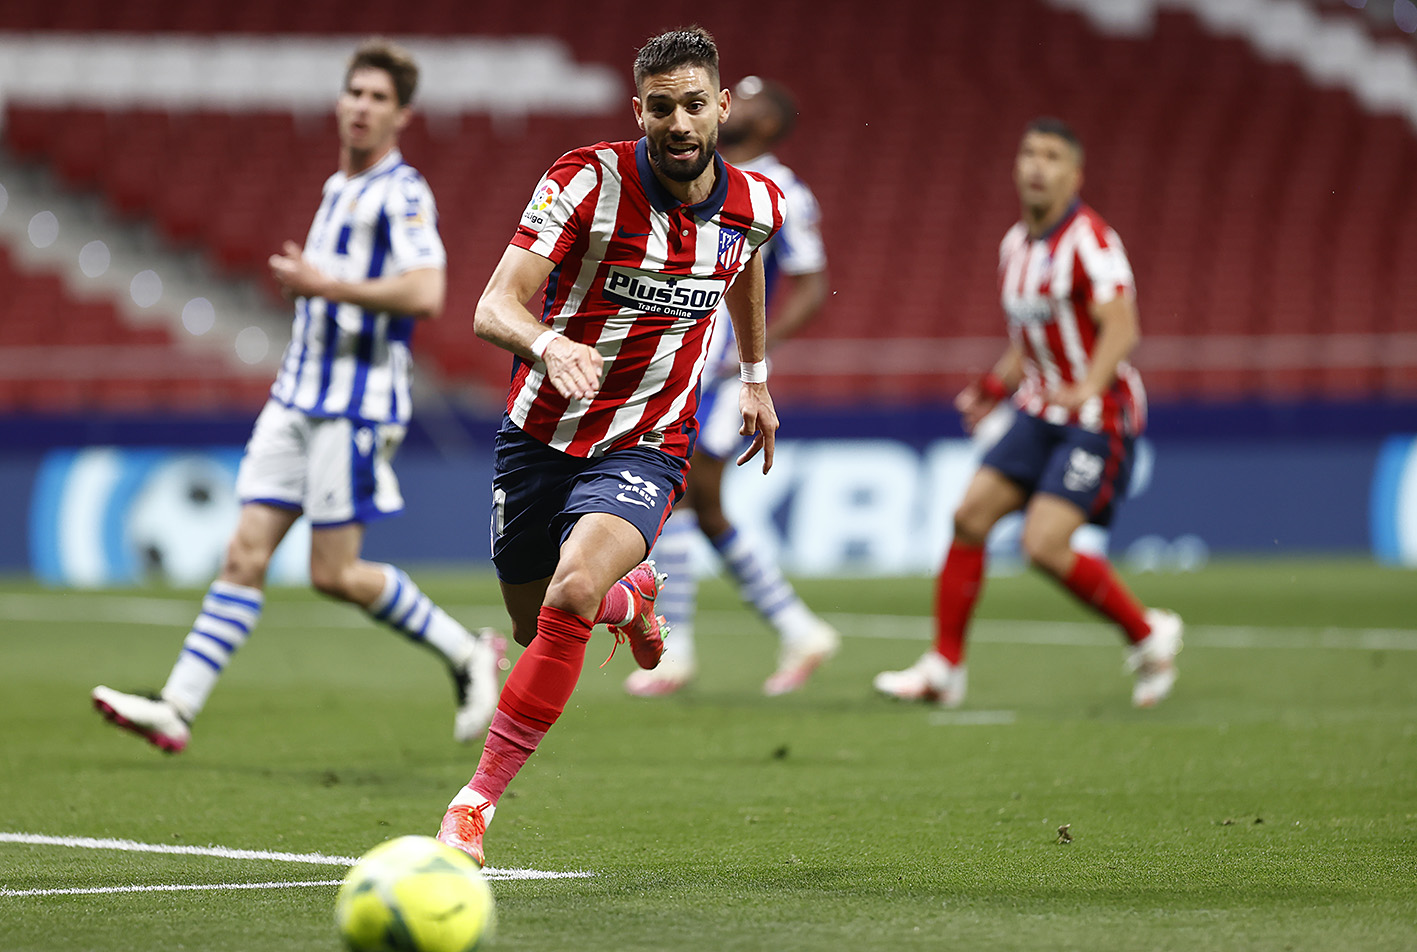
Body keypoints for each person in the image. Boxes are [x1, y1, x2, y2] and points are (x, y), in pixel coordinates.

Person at [91, 38, 505, 752]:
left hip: (353, 405)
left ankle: (467, 650)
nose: (362, 107)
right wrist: (316, 293)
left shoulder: (401, 192)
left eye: (379, 98)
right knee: (244, 554)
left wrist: (325, 285)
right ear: (339, 101)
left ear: (402, 116)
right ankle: (177, 706)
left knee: (333, 574)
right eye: (355, 92)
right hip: (295, 396)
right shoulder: (337, 188)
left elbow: (427, 291)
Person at [435, 27, 785, 867]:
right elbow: (492, 306)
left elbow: (742, 261)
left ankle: (473, 806)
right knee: (533, 625)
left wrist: (755, 375)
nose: (678, 122)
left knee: (570, 592)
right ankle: (630, 602)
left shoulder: (757, 204)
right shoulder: (583, 180)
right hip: (540, 435)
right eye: (661, 107)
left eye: (693, 105)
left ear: (721, 107)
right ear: (638, 111)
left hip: (647, 442)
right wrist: (547, 343)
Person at [874, 118, 1183, 710]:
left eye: (1053, 156)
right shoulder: (1015, 245)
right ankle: (944, 669)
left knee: (1043, 544)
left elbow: (1122, 327)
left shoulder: (1091, 241)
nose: (1038, 166)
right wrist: (993, 387)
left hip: (1097, 418)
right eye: (1030, 154)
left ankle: (1147, 635)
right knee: (969, 518)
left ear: (1075, 175)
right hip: (1039, 410)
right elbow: (1031, 337)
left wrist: (1086, 386)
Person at [625, 75, 838, 698]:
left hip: (718, 372)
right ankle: (799, 629)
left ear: (768, 122)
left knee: (684, 495)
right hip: (675, 362)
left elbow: (812, 282)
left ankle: (678, 650)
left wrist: (756, 354)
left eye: (745, 98)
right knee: (702, 504)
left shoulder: (779, 189)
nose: (730, 104)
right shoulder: (694, 172)